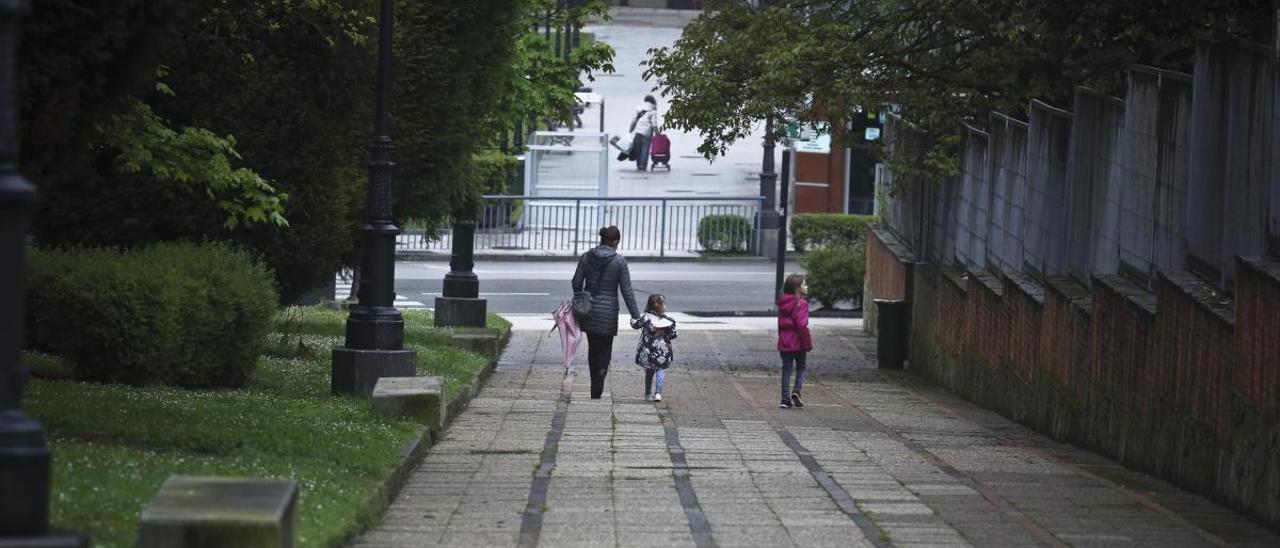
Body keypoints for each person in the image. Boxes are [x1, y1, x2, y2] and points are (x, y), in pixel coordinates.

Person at [572, 225, 642, 399]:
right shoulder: (619, 262)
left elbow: (576, 282)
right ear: (615, 241)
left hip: (589, 311)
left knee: (592, 348)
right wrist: (636, 316)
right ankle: (602, 372)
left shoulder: (586, 258)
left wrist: (581, 298)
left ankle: (594, 382)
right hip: (609, 313)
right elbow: (627, 291)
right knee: (606, 347)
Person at [777, 273, 812, 409]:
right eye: (804, 284)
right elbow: (802, 325)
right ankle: (796, 391)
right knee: (801, 367)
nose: (806, 286)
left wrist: (780, 340)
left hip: (785, 342)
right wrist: (807, 343)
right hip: (798, 342)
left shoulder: (782, 302)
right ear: (797, 288)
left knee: (786, 370)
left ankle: (785, 399)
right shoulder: (801, 303)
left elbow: (780, 324)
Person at [634, 294, 677, 403]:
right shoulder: (669, 321)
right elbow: (672, 335)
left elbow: (635, 325)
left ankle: (648, 393)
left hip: (648, 350)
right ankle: (658, 393)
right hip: (663, 351)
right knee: (661, 370)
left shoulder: (645, 317)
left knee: (649, 371)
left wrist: (633, 319)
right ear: (662, 306)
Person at [629, 95, 660, 170]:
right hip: (647, 134)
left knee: (638, 150)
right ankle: (643, 167)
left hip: (638, 132)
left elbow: (634, 121)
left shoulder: (638, 109)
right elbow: (654, 124)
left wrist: (630, 130)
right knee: (645, 151)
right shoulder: (653, 111)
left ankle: (639, 166)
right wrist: (658, 134)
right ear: (653, 101)